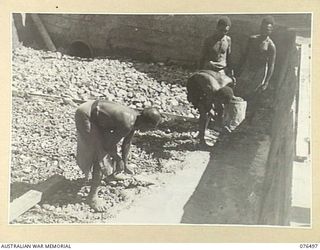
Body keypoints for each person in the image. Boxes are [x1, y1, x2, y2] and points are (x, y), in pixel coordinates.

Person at [75, 100, 161, 211]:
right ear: (146, 124)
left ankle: (110, 174)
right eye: (151, 128)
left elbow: (127, 142)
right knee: (100, 154)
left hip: (97, 114)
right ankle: (92, 197)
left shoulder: (135, 119)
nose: (149, 131)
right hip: (86, 115)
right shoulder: (127, 123)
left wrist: (125, 163)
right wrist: (118, 159)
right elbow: (107, 146)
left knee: (110, 144)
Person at [234, 15, 276, 121]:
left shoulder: (271, 46)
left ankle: (249, 119)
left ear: (271, 30)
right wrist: (238, 70)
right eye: (263, 28)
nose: (264, 31)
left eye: (267, 29)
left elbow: (271, 65)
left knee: (254, 94)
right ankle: (238, 115)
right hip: (248, 69)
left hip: (260, 72)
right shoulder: (252, 39)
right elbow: (244, 55)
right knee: (240, 91)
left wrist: (266, 82)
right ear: (260, 27)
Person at [187, 73, 236, 146]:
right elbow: (208, 108)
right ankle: (201, 139)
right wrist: (216, 118)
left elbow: (220, 106)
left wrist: (220, 118)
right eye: (220, 101)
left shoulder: (228, 82)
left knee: (215, 109)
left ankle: (207, 128)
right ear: (218, 96)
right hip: (194, 82)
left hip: (206, 78)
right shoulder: (211, 90)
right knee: (204, 113)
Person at [199, 16, 234, 85]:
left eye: (226, 31)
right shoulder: (208, 40)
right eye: (221, 30)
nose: (223, 33)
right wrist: (199, 71)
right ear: (217, 28)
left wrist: (231, 73)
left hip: (222, 71)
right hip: (210, 70)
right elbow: (202, 58)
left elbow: (228, 58)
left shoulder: (228, 40)